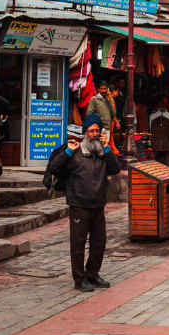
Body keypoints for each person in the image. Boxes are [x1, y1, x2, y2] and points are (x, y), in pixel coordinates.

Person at [47, 114, 122, 291]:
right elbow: (54, 168)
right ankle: (79, 279)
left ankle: (93, 274)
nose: (95, 133)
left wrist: (107, 148)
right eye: (91, 130)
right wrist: (67, 152)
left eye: (97, 130)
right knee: (78, 244)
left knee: (99, 242)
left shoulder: (103, 153)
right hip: (79, 205)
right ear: (85, 133)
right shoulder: (75, 152)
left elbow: (116, 168)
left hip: (98, 205)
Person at [86, 80, 116, 145]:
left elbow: (113, 113)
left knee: (105, 147)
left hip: (107, 128)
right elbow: (89, 114)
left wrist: (109, 100)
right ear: (98, 89)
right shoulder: (94, 99)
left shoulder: (109, 99)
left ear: (107, 89)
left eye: (105, 89)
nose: (103, 91)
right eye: (101, 89)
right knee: (98, 147)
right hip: (99, 129)